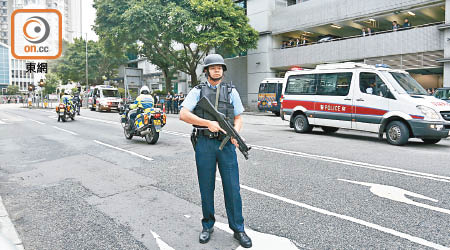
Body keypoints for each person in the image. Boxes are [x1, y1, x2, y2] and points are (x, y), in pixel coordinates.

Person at [179, 54, 252, 248]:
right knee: (206, 187)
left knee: (232, 188)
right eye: (213, 67)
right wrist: (207, 123)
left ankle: (238, 229)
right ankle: (207, 226)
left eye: (220, 67)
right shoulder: (197, 91)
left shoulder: (231, 91)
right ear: (207, 71)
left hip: (226, 145)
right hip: (205, 144)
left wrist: (236, 133)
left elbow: (238, 117)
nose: (217, 70)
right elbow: (183, 114)